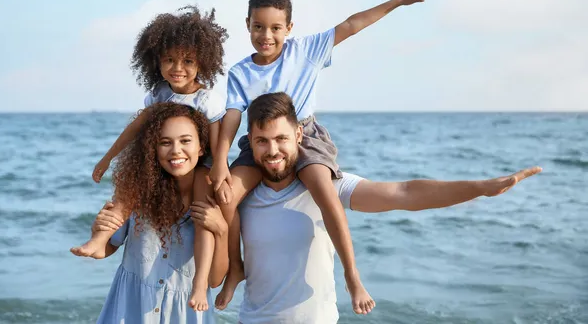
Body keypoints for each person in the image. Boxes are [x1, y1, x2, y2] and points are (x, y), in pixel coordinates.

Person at [210, 0, 430, 314]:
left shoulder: (306, 50)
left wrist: (397, 1)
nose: (266, 35)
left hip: (305, 137)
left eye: (275, 28)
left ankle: (352, 276)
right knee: (226, 198)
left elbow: (352, 24)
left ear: (289, 27)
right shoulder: (241, 71)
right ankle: (236, 267)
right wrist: (221, 162)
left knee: (325, 194)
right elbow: (230, 117)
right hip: (259, 141)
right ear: (247, 25)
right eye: (258, 27)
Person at [231, 92, 541, 323]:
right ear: (250, 141)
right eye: (262, 141)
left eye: (281, 138)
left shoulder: (328, 186)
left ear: (299, 135)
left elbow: (404, 193)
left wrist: (482, 188)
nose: (273, 150)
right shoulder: (242, 197)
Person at [71, 6, 228, 311]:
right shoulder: (158, 93)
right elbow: (136, 128)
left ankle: (197, 285)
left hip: (204, 168)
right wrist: (107, 159)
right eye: (169, 59)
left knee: (203, 219)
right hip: (130, 304)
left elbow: (220, 138)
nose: (177, 67)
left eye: (187, 60)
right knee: (125, 190)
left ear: (202, 62)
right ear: (156, 61)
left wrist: (220, 168)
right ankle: (97, 238)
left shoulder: (206, 99)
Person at [91, 102, 229, 323]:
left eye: (185, 141)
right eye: (165, 142)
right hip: (130, 312)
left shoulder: (213, 198)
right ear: (153, 149)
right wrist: (98, 227)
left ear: (201, 147)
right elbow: (105, 250)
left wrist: (221, 230)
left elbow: (214, 280)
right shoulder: (136, 191)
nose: (176, 150)